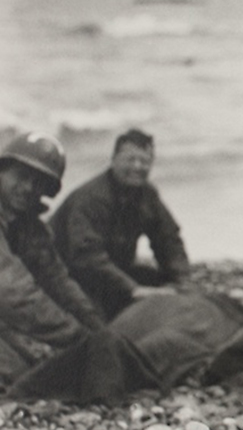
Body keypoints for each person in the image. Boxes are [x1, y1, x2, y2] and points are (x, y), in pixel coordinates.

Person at [49, 128, 191, 320]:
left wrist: (182, 281)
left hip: (111, 272)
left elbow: (168, 239)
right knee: (95, 322)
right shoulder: (91, 199)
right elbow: (86, 257)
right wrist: (131, 289)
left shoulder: (147, 195)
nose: (137, 166)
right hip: (67, 274)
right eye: (130, 159)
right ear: (114, 159)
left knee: (169, 289)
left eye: (145, 161)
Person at [0, 132, 105, 384]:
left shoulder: (28, 225)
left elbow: (57, 280)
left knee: (34, 369)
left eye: (38, 183)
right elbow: (14, 294)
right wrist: (77, 335)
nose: (28, 188)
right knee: (16, 375)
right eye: (21, 176)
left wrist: (100, 331)